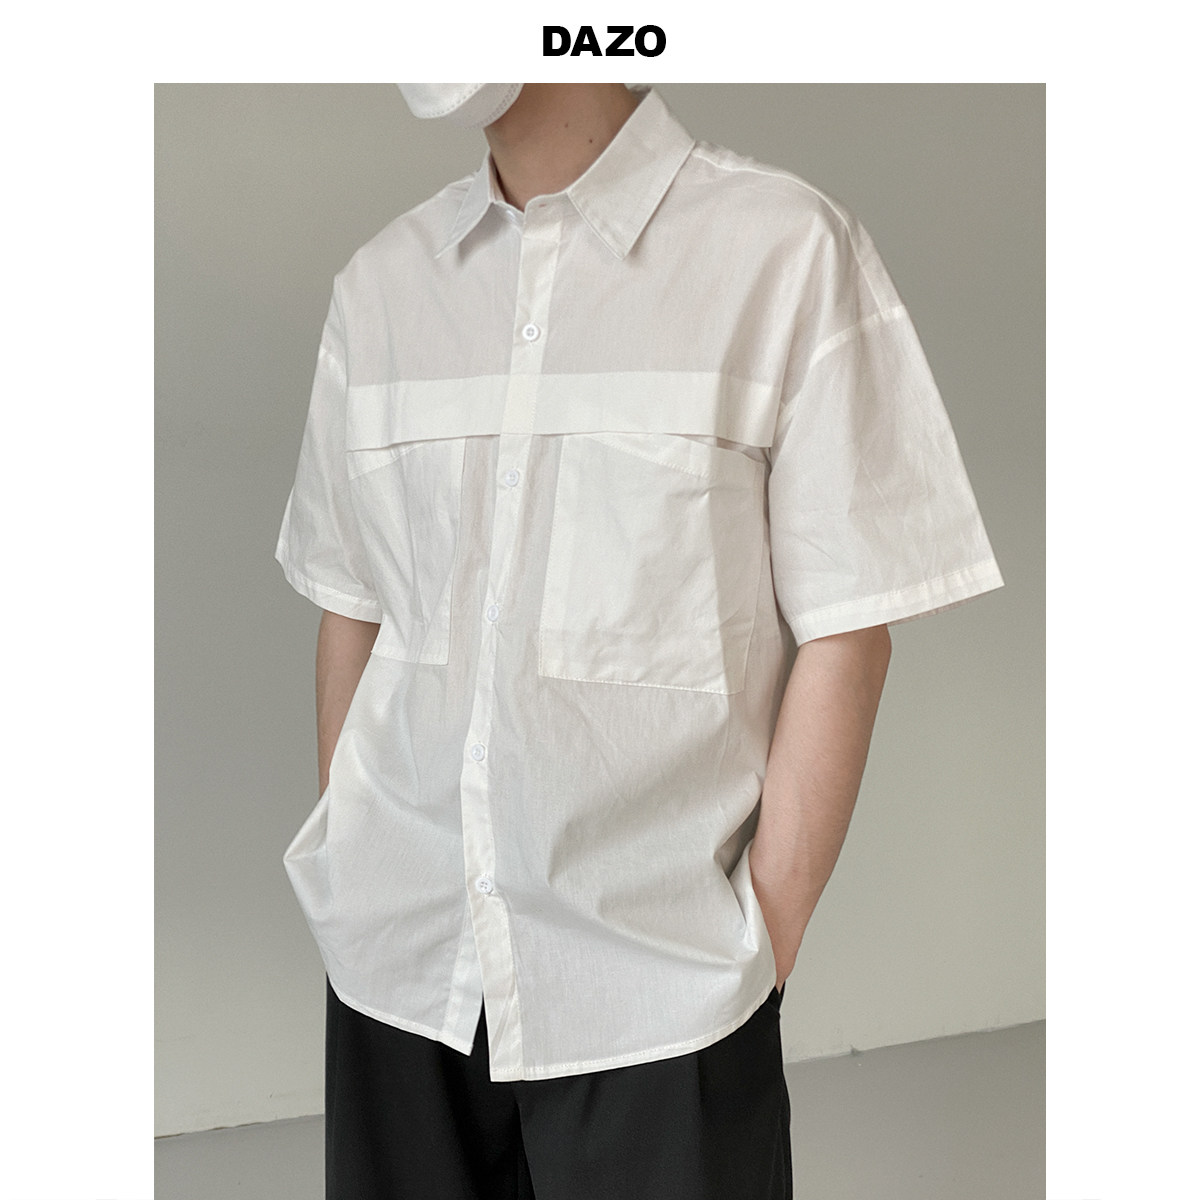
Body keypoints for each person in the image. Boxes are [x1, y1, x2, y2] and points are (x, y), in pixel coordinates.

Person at [274, 83, 1004, 1199]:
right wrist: (354, 856)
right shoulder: (382, 286)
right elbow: (354, 604)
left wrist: (761, 942)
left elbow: (851, 628)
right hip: (398, 971)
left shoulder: (781, 253)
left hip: (655, 996)